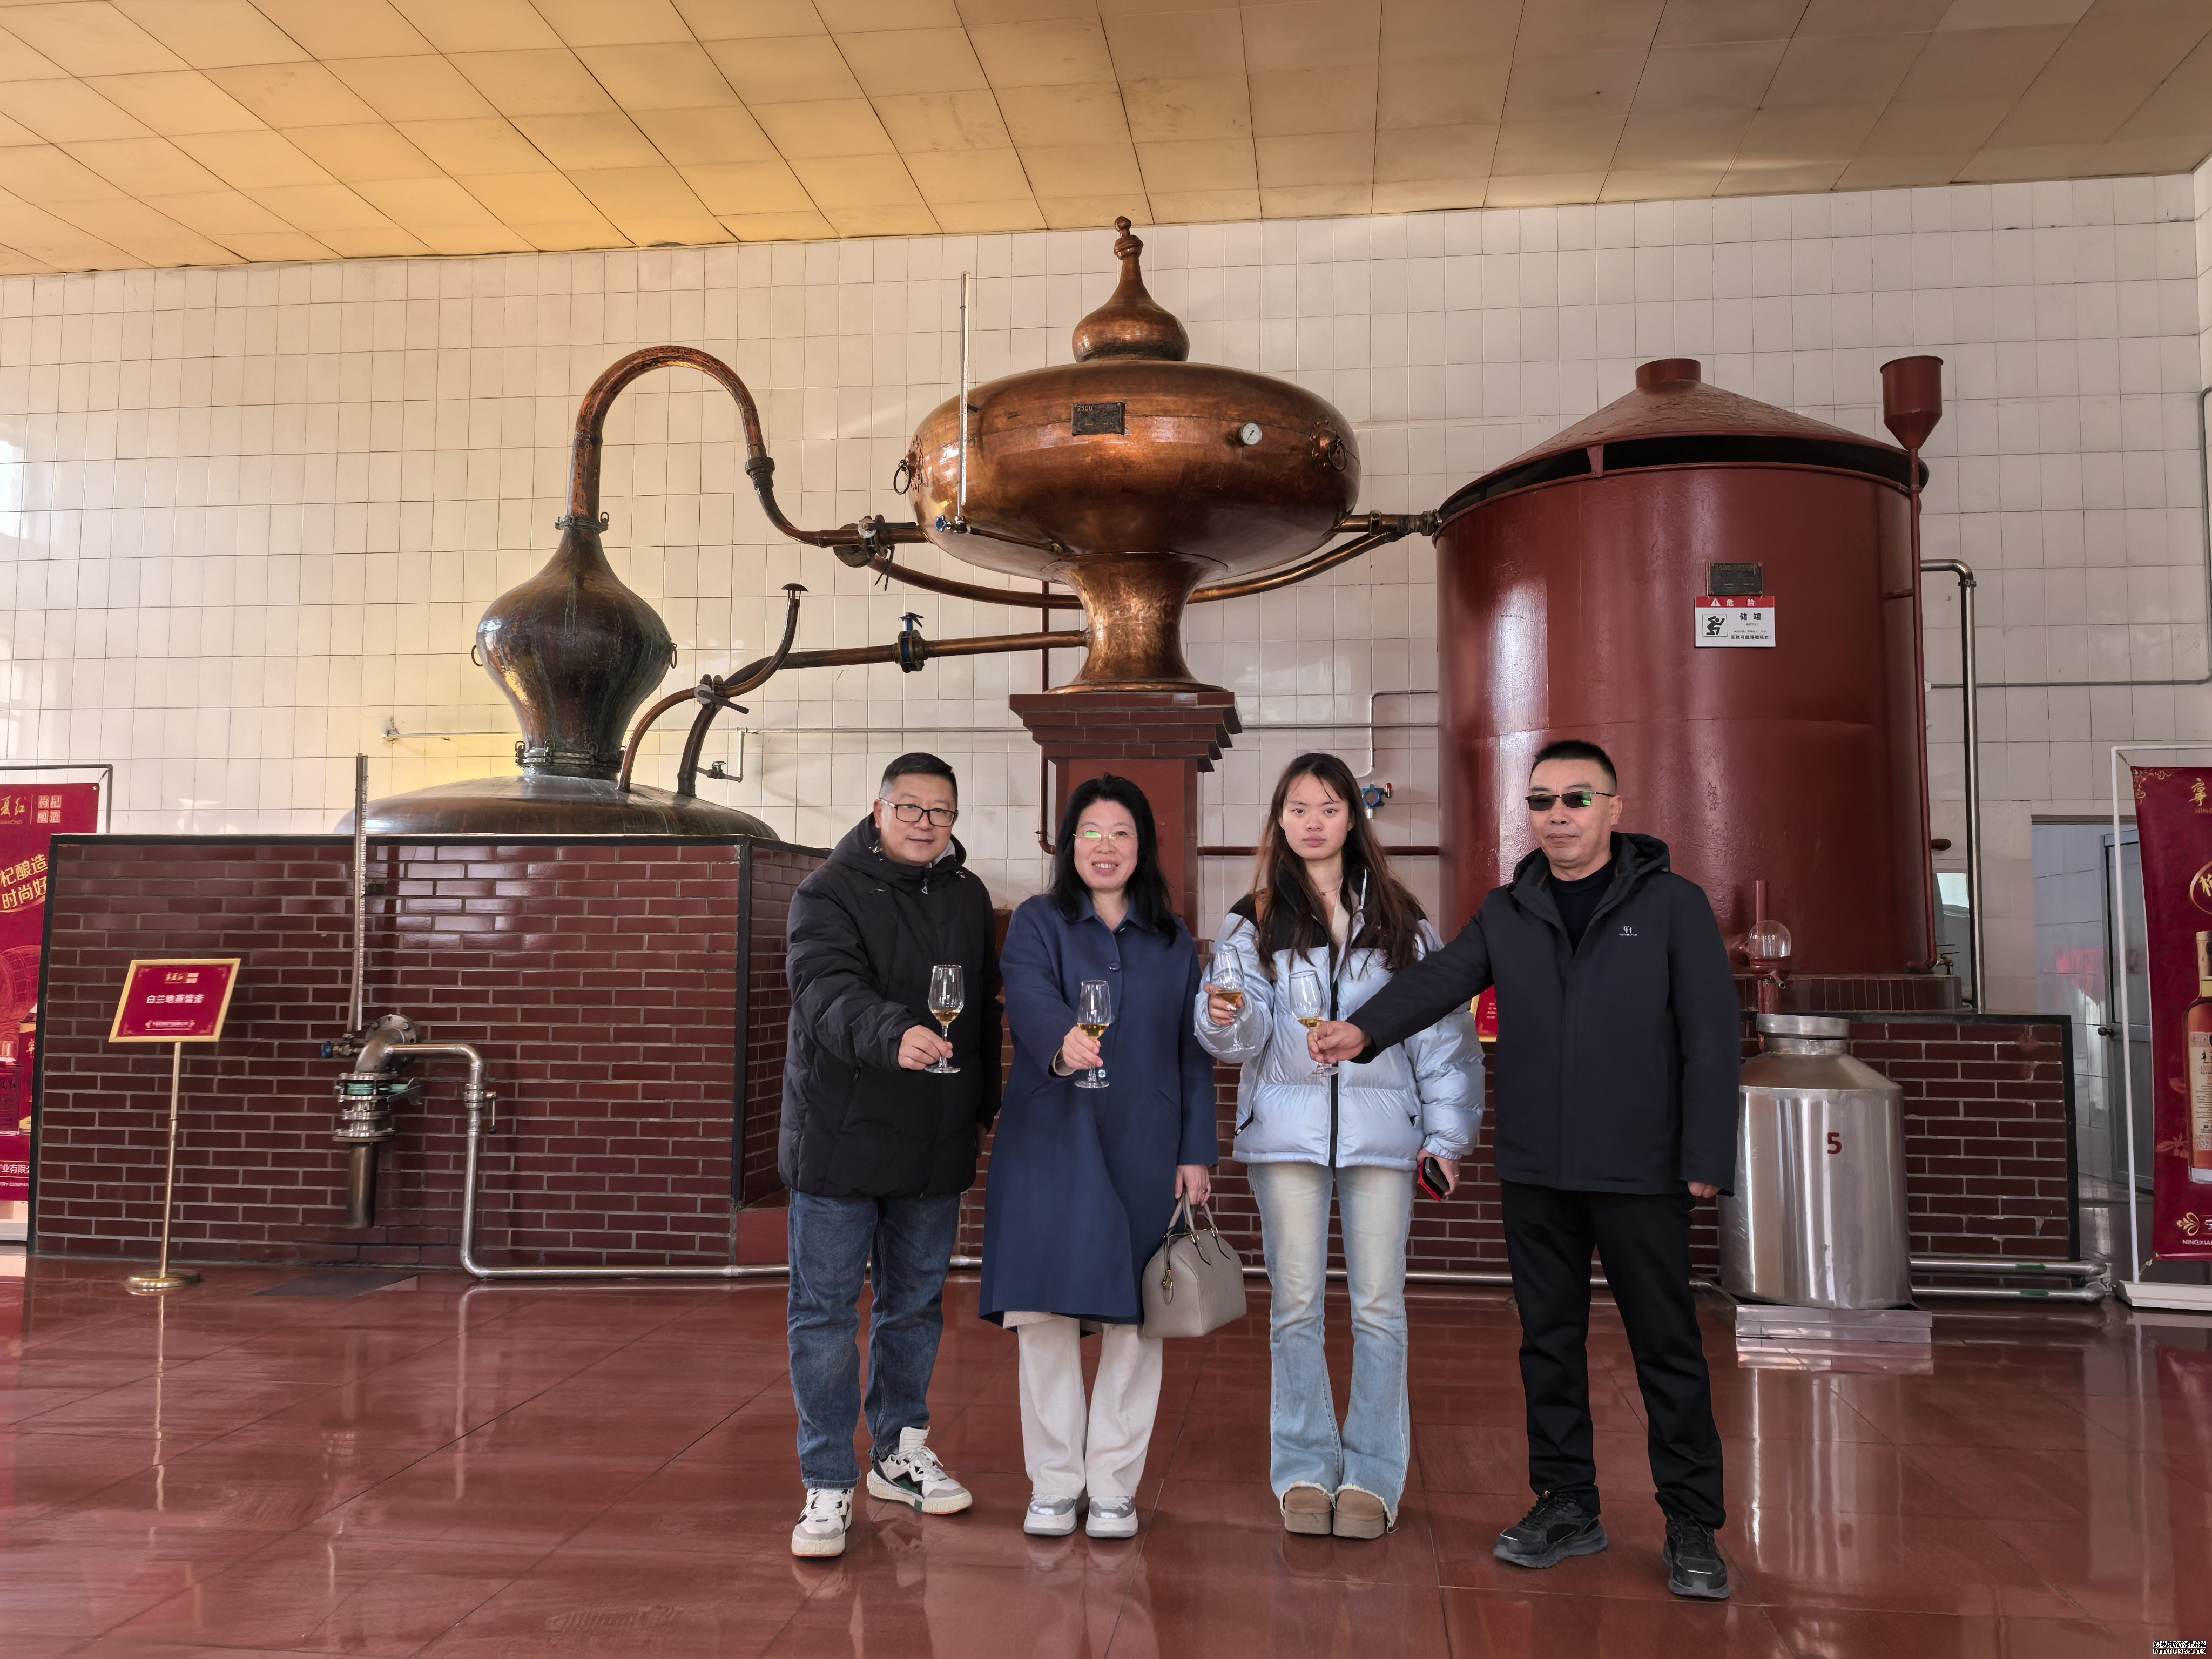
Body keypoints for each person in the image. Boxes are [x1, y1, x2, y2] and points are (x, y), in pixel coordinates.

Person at [1309, 738, 1741, 1600]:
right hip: (1540, 1168)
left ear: (1614, 809)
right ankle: (1567, 1503)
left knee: (1666, 1347)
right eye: (1542, 801)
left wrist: (1705, 1155)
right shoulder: (1510, 910)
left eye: (1576, 799)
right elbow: (1440, 979)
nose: (1557, 815)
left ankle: (1693, 1523)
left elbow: (1711, 1033)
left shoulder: (1672, 905)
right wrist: (1364, 1031)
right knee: (1548, 1343)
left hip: (1643, 1169)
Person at [1196, 753, 1481, 1540]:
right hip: (1286, 1141)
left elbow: (1442, 1034)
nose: (1313, 822)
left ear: (1353, 817)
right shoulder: (1252, 920)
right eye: (1298, 809)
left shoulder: (1399, 917)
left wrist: (1447, 1138)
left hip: (1382, 1139)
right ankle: (1302, 1465)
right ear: (1280, 822)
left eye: (1328, 807)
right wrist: (1224, 1019)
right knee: (1295, 1309)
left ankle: (1374, 1473)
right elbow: (1239, 1035)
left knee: (1379, 1309)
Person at [981, 774, 1219, 1541]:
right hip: (1050, 1140)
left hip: (1147, 1145)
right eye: (1091, 831)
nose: (1105, 846)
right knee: (1044, 1313)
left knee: (1136, 1321)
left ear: (1142, 846)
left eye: (1121, 832)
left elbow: (1192, 1051)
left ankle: (1114, 1485)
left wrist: (1197, 1150)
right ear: (1069, 844)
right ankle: (1054, 1483)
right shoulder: (1037, 921)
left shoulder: (1172, 938)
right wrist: (1063, 1040)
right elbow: (1027, 996)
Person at [779, 753, 1002, 1560]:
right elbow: (823, 990)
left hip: (933, 1137)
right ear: (878, 812)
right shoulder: (827, 892)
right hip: (840, 1138)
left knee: (913, 1308)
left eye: (940, 811)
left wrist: (983, 1104)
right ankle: (827, 1479)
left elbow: (981, 1013)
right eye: (909, 807)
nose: (924, 823)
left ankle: (899, 1456)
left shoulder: (968, 896)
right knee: (826, 1316)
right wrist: (891, 1032)